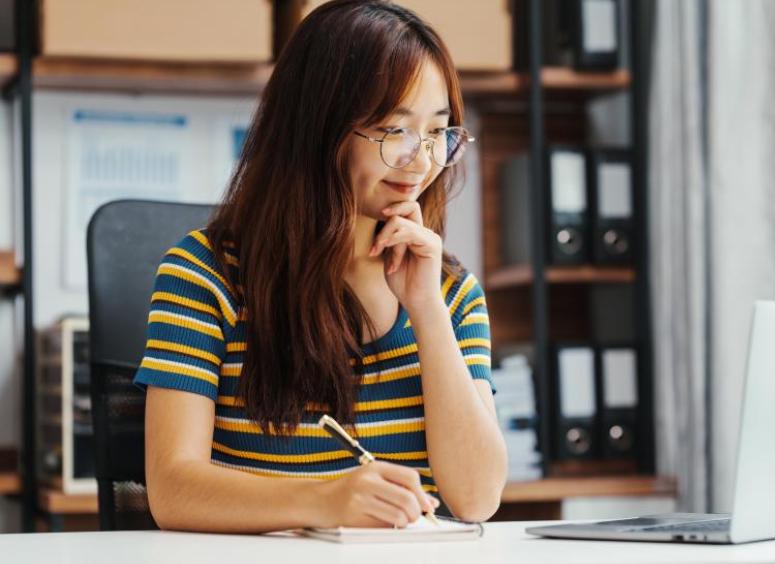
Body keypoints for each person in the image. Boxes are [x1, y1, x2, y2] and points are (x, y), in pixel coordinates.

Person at [133, 0, 508, 533]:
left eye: (437, 133)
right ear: (318, 129)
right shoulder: (204, 276)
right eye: (393, 131)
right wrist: (325, 500)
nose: (421, 161)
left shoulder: (450, 293)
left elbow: (476, 498)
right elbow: (172, 489)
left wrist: (426, 310)